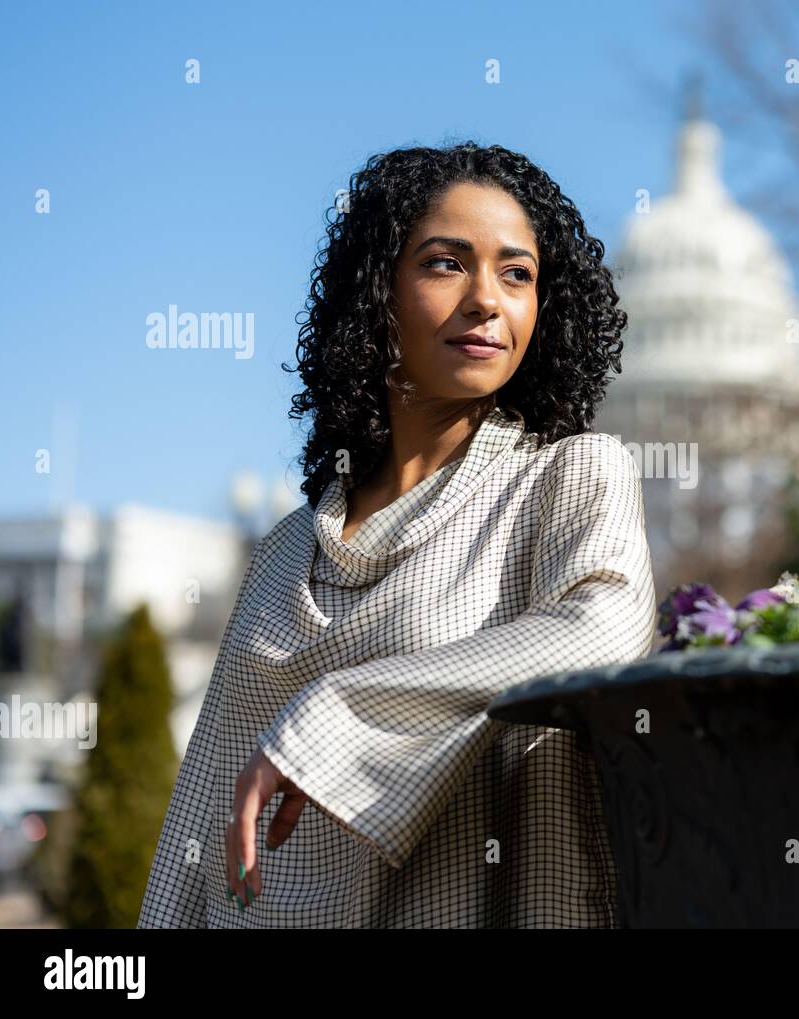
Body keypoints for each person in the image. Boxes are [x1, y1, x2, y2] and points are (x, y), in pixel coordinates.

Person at [136, 142, 656, 928]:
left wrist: (332, 714)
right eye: (447, 264)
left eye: (517, 274)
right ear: (375, 290)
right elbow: (204, 803)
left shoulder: (568, 478)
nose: (488, 299)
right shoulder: (283, 550)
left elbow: (602, 635)